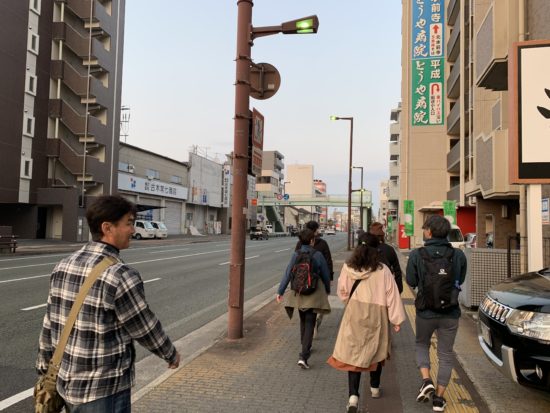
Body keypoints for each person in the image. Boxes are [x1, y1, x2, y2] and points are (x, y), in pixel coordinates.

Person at [36, 195, 180, 412]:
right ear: (107, 228)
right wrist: (170, 353)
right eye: (129, 223)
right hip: (103, 389)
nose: (132, 230)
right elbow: (143, 326)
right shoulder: (120, 274)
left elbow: (50, 322)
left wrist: (44, 366)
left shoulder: (63, 265)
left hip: (64, 383)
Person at [328, 232, 406, 413]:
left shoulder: (348, 267)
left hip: (354, 313)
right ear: (376, 249)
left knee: (353, 353)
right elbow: (392, 295)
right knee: (376, 350)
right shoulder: (383, 270)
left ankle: (353, 397)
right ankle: (374, 387)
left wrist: (350, 303)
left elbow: (342, 291)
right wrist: (396, 319)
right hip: (377, 314)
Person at [406, 215, 467, 412]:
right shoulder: (458, 255)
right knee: (446, 354)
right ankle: (439, 400)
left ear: (429, 232)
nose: (424, 231)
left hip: (425, 311)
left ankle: (426, 381)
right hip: (450, 312)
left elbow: (411, 281)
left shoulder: (417, 254)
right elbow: (460, 280)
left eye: (425, 229)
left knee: (421, 344)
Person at [277, 228, 331, 369]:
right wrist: (327, 289)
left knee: (303, 320)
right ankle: (304, 355)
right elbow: (325, 274)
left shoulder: (296, 254)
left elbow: (288, 273)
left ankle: (304, 347)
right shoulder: (317, 255)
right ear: (312, 240)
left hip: (299, 291)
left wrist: (280, 291)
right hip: (313, 291)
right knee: (310, 322)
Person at [294, 220, 334, 337]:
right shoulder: (323, 243)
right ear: (316, 230)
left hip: (303, 280)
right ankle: (315, 321)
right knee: (319, 302)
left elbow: (295, 262)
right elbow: (328, 261)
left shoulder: (300, 243)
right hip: (319, 279)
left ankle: (307, 327)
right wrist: (330, 278)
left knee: (305, 304)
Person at [369, 221, 403, 294]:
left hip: (368, 289)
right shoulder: (389, 249)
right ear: (382, 236)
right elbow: (397, 270)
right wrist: (398, 289)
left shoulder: (364, 249)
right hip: (386, 288)